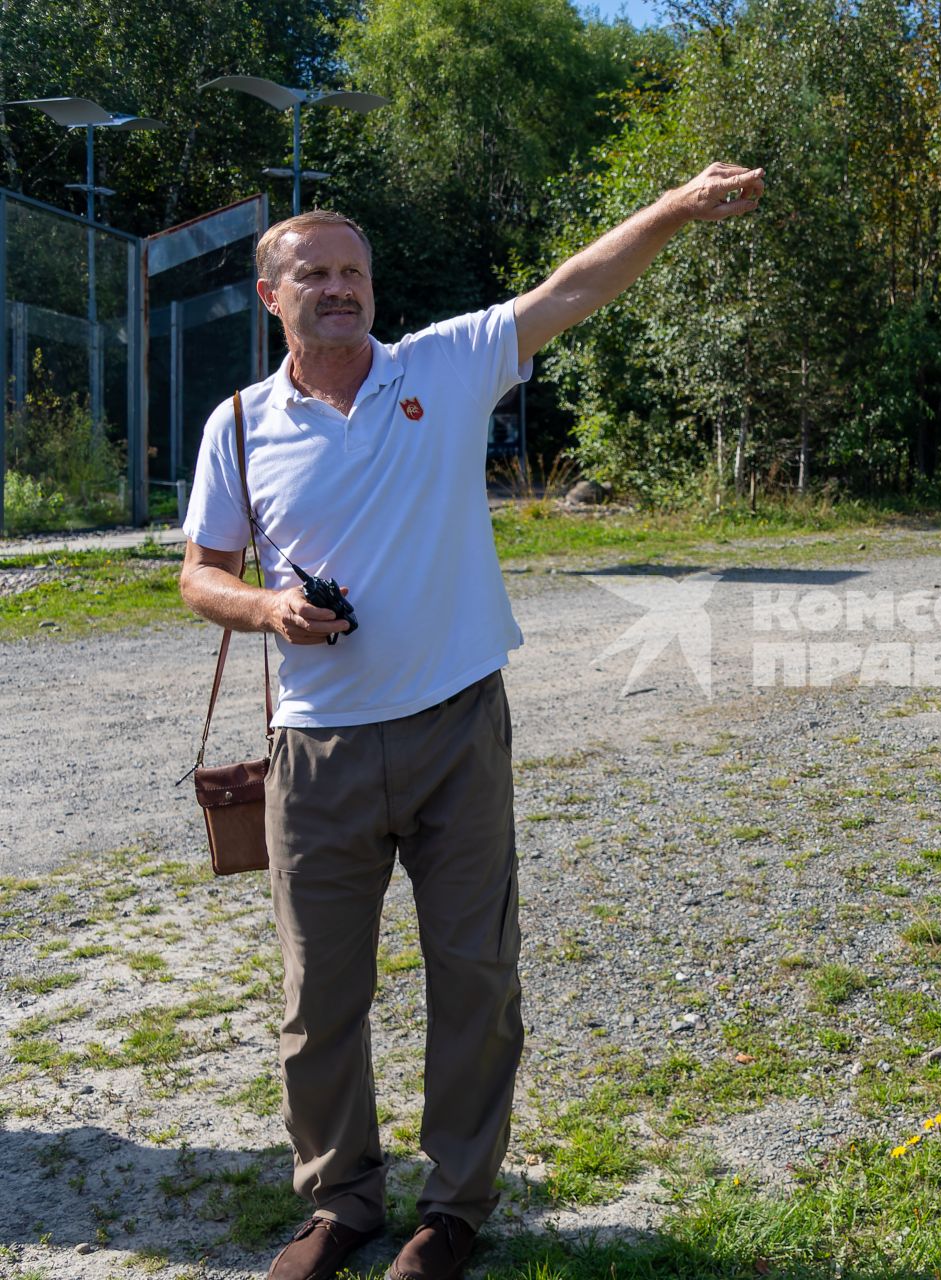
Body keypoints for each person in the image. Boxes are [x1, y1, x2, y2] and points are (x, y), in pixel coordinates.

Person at [177, 162, 764, 1280]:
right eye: (314, 273)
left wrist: (676, 206)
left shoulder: (441, 367)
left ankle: (453, 1207)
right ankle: (339, 1202)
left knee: (476, 976)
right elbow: (199, 572)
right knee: (317, 999)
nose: (339, 288)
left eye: (353, 270)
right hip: (318, 748)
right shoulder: (241, 424)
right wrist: (268, 607)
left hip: (455, 727)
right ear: (272, 296)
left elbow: (575, 286)